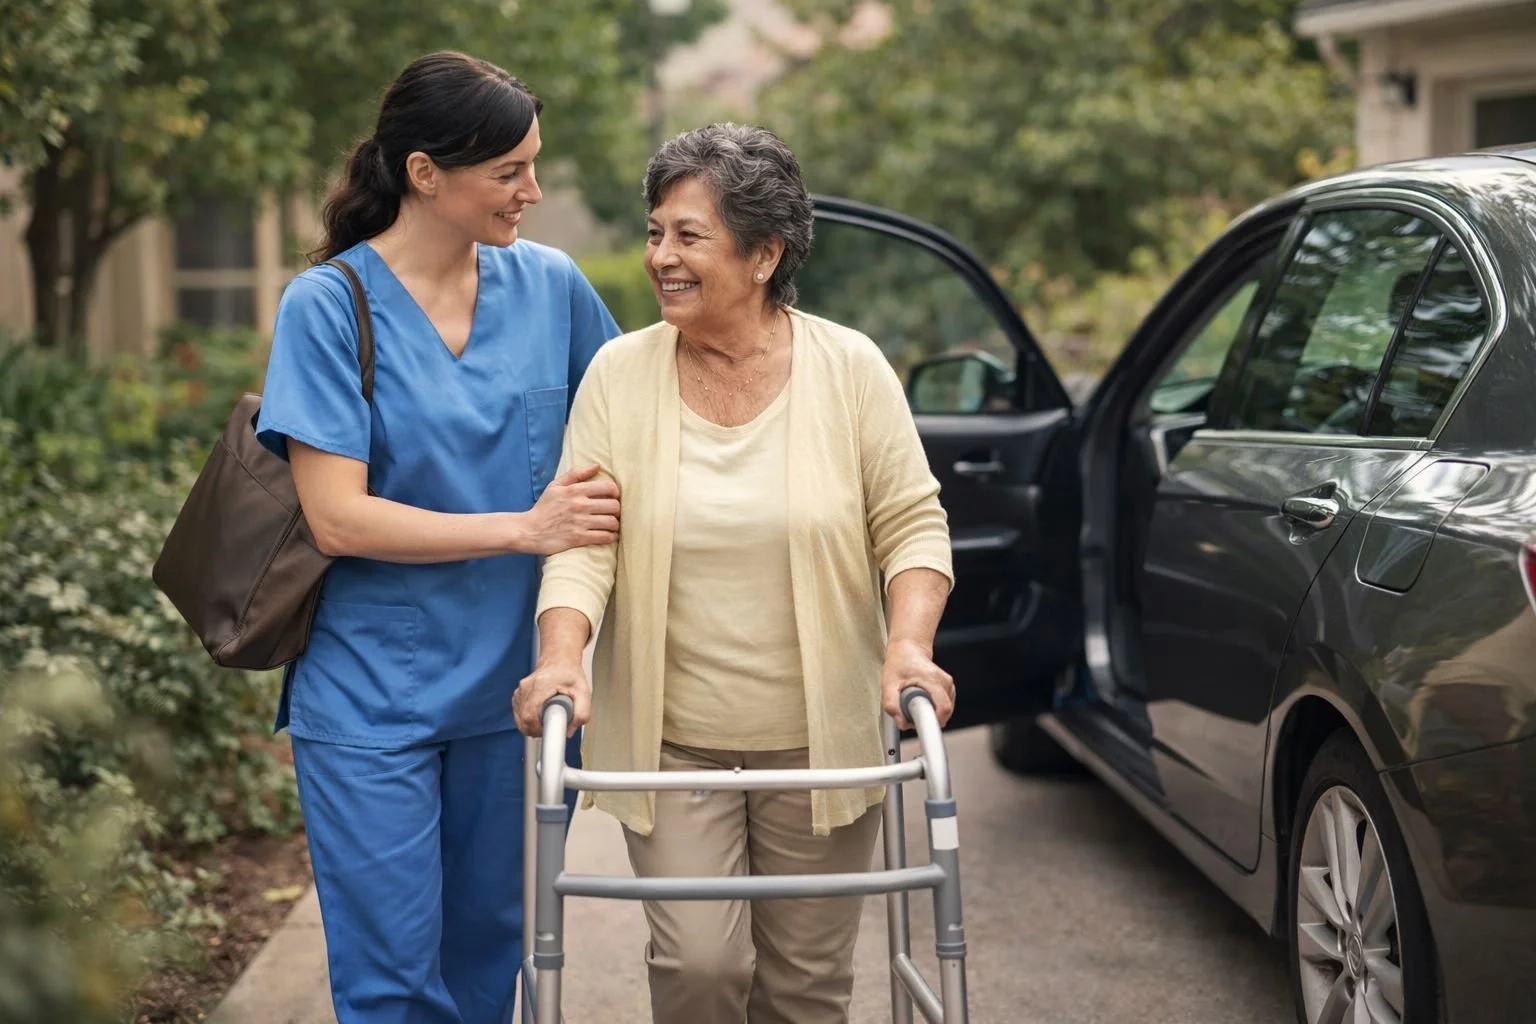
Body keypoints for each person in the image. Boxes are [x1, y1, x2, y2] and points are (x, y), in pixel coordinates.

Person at [513, 123, 955, 1024]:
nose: (660, 257)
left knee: (804, 989)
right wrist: (563, 657)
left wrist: (908, 646)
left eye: (688, 236)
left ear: (763, 255)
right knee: (699, 968)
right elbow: (583, 544)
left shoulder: (851, 368)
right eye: (654, 233)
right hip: (676, 750)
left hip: (819, 748)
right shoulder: (618, 375)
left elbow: (911, 523)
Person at [255, 51, 622, 1024]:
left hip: (515, 690)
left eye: (533, 165)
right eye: (509, 172)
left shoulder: (552, 289)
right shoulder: (329, 306)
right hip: (375, 695)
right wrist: (526, 527)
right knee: (391, 983)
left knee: (488, 959)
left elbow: (637, 431)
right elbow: (336, 513)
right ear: (425, 173)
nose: (532, 192)